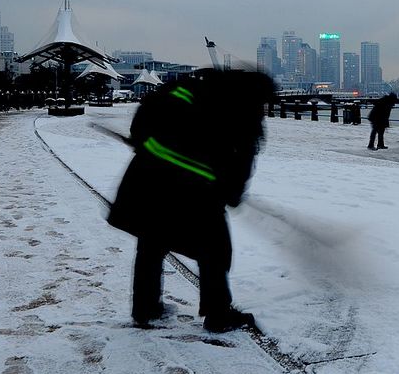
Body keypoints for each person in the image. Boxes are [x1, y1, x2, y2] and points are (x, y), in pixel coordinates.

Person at [107, 67, 276, 332]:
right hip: (198, 190)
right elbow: (243, 157)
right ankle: (218, 314)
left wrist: (145, 142)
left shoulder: (191, 85)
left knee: (152, 242)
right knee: (215, 251)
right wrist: (232, 192)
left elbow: (145, 114)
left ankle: (145, 308)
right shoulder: (246, 109)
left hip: (150, 177)